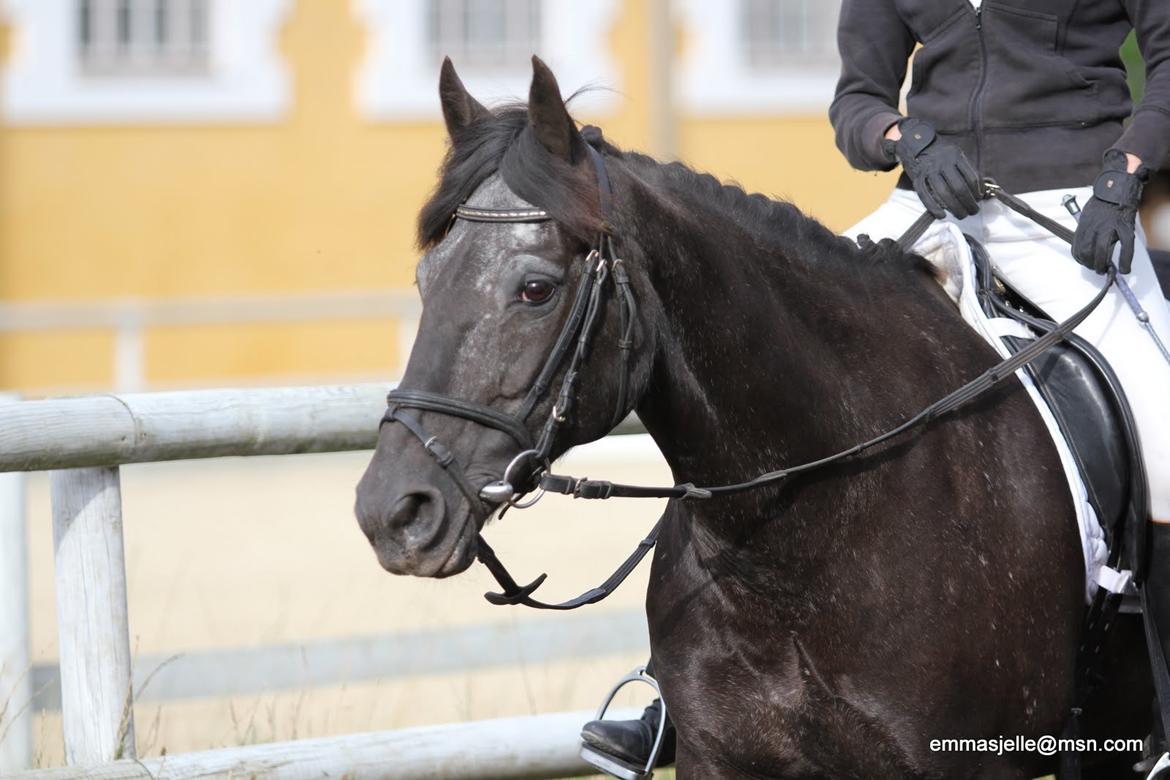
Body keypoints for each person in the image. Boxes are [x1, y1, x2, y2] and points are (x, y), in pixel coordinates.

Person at [580, 0, 1170, 774]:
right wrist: (905, 139)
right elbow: (856, 100)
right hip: (927, 204)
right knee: (770, 380)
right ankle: (677, 697)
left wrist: (1127, 173)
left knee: (1163, 433)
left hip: (1073, 216)